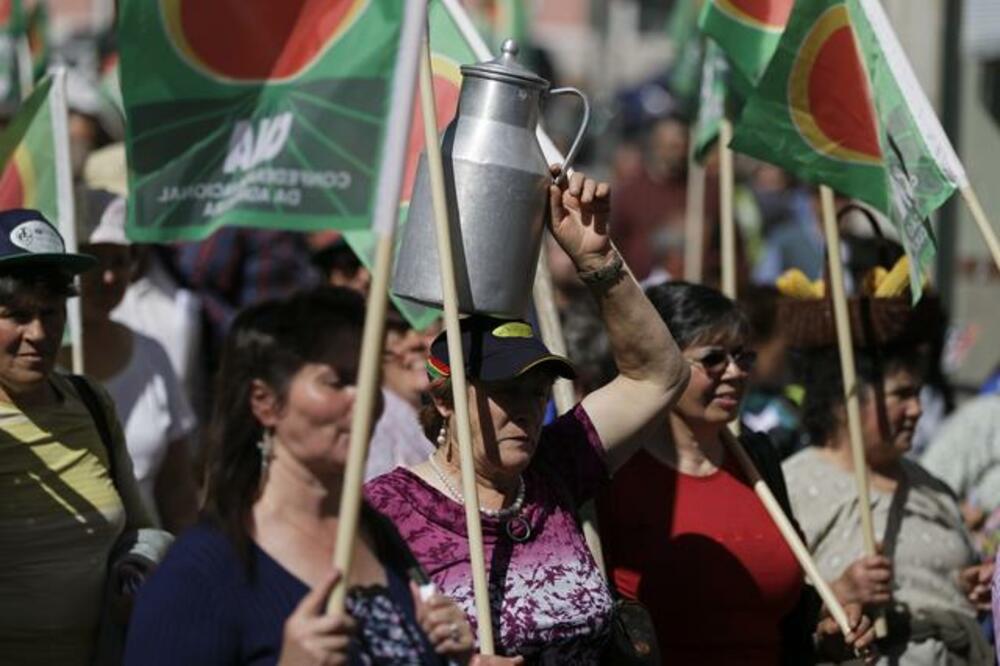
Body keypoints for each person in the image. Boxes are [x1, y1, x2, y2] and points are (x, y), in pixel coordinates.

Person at [366, 169, 692, 661]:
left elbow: (659, 377)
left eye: (537, 392)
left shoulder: (557, 465)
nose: (525, 409)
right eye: (504, 392)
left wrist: (597, 259)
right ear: (446, 400)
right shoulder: (387, 510)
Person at [125, 287, 489, 665]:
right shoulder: (200, 572)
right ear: (266, 402)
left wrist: (456, 658)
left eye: (369, 378)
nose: (364, 398)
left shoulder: (378, 535)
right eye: (338, 380)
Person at [596, 281, 874, 665]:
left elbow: (782, 615)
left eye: (743, 357)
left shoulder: (758, 462)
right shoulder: (612, 474)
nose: (734, 372)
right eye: (713, 359)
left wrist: (826, 630)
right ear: (662, 363)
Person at [0, 208, 151, 665]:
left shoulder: (92, 404)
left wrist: (138, 570)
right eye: (17, 315)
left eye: (51, 312)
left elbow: (141, 530)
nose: (39, 334)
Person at [783, 344, 994, 664]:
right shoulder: (795, 483)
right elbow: (772, 599)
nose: (917, 409)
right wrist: (839, 593)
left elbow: (936, 581)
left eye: (918, 395)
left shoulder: (933, 488)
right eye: (902, 395)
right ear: (847, 403)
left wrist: (963, 586)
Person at [75, 189, 199, 532]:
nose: (110, 277)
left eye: (120, 261)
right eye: (93, 259)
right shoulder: (28, 362)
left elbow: (178, 493)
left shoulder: (152, 355)